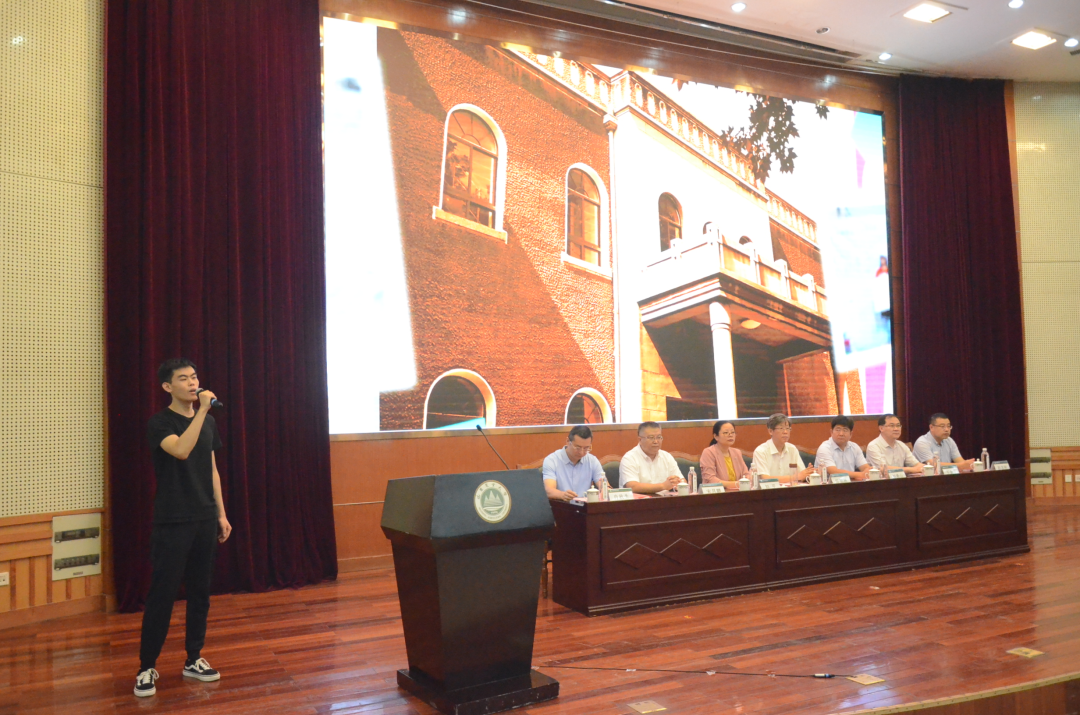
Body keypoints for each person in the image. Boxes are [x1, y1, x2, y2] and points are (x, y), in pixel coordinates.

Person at [135, 359, 232, 698]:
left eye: (194, 377)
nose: (193, 383)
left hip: (204, 517)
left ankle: (194, 658)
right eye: (183, 379)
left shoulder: (208, 422)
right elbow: (180, 450)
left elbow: (211, 469)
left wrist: (221, 514)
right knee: (162, 595)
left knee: (200, 592)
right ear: (168, 387)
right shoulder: (160, 422)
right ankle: (147, 666)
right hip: (173, 520)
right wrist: (202, 411)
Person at [542, 425, 607, 501]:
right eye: (577, 447)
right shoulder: (552, 460)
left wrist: (605, 491)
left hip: (585, 506)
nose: (581, 452)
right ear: (567, 441)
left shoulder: (592, 460)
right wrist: (562, 495)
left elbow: (604, 486)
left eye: (586, 448)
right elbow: (549, 491)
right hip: (562, 505)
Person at [620, 422, 684, 494]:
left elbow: (681, 481)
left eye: (659, 437)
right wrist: (663, 486)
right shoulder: (629, 458)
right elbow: (632, 486)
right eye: (651, 438)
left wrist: (678, 482)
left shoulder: (667, 457)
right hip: (639, 500)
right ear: (640, 440)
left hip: (664, 500)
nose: (656, 441)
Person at [751, 413, 816, 483]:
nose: (785, 432)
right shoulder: (761, 451)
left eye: (787, 428)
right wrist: (795, 477)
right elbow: (765, 479)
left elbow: (802, 475)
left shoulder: (792, 449)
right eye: (781, 428)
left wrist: (810, 473)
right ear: (770, 431)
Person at [815, 415, 872, 481]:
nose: (841, 434)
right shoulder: (825, 448)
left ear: (851, 434)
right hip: (829, 485)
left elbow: (865, 468)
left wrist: (870, 471)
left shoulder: (854, 447)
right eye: (838, 430)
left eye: (845, 430)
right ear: (831, 432)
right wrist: (860, 474)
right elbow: (833, 472)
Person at [700, 420, 747, 490]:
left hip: (738, 491)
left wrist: (745, 482)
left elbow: (746, 474)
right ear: (716, 436)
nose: (730, 435)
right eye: (726, 433)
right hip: (717, 493)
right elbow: (710, 479)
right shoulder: (709, 452)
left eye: (732, 432)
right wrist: (736, 484)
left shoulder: (737, 452)